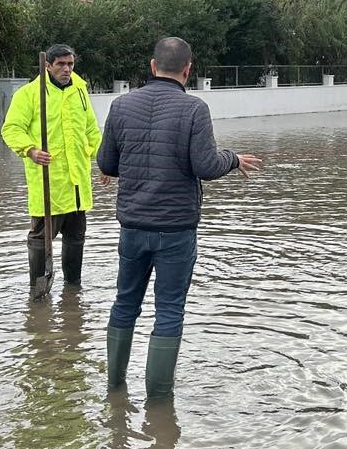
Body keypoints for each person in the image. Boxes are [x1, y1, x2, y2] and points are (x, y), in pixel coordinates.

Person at [97, 36, 262, 401]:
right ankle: (159, 404)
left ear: (152, 67)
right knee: (169, 310)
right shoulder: (194, 109)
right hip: (176, 230)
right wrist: (233, 159)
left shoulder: (121, 105)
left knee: (125, 302)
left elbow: (106, 163)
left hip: (133, 226)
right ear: (188, 70)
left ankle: (115, 388)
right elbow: (205, 166)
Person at [1, 44, 102, 298]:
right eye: (61, 64)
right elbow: (11, 129)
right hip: (49, 183)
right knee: (40, 237)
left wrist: (103, 162)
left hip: (77, 182)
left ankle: (72, 289)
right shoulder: (30, 94)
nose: (67, 69)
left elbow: (91, 129)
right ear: (48, 65)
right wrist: (31, 150)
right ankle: (37, 291)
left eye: (70, 64)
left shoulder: (80, 90)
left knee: (76, 237)